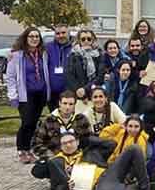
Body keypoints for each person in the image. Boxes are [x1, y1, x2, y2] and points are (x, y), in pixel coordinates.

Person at [36, 132, 155, 190]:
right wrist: (67, 187)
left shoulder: (90, 152)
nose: (68, 145)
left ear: (77, 142)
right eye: (64, 143)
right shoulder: (57, 162)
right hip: (98, 186)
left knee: (134, 148)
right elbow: (55, 186)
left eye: (71, 141)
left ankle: (145, 189)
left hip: (108, 173)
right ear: (60, 146)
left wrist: (87, 139)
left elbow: (111, 144)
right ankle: (139, 186)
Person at [7, 27, 52, 164]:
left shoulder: (43, 54)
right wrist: (12, 96)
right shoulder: (17, 55)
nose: (34, 39)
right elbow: (11, 77)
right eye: (31, 36)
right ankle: (22, 150)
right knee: (26, 122)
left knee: (33, 123)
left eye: (37, 36)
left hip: (40, 93)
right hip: (25, 95)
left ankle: (29, 150)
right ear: (26, 38)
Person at [32, 90, 92, 160]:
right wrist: (51, 156)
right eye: (65, 103)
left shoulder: (81, 119)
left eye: (71, 104)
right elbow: (36, 144)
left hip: (77, 158)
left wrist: (82, 155)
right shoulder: (48, 120)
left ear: (75, 105)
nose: (67, 107)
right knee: (37, 170)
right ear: (59, 103)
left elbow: (89, 140)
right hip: (55, 157)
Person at [65, 29, 100, 98]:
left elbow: (100, 75)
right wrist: (79, 90)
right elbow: (69, 74)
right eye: (83, 39)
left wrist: (85, 89)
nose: (86, 41)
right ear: (79, 40)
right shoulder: (73, 54)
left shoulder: (99, 54)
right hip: (77, 93)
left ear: (93, 40)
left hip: (94, 92)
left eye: (89, 39)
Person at [45, 24, 72, 112]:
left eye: (63, 33)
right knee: (54, 119)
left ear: (69, 33)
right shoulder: (48, 47)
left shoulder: (75, 47)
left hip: (69, 92)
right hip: (53, 92)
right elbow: (30, 48)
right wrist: (14, 51)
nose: (60, 36)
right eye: (58, 33)